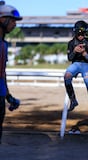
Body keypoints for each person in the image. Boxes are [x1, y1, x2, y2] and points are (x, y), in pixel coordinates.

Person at [64, 20, 88, 115]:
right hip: (75, 64)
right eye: (78, 33)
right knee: (67, 76)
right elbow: (69, 58)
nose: (81, 35)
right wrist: (74, 51)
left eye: (83, 33)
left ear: (86, 33)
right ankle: (73, 100)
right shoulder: (71, 43)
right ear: (75, 33)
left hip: (87, 65)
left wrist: (84, 53)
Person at [0, 1, 22, 143]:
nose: (15, 24)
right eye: (12, 20)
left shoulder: (4, 44)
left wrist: (8, 96)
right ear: (2, 18)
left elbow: (2, 73)